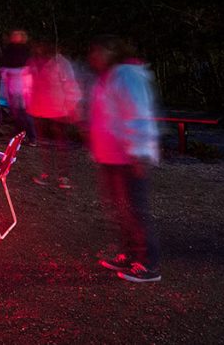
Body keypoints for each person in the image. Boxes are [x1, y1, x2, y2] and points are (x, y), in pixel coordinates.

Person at [88, 35, 161, 283]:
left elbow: (138, 112)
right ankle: (130, 253)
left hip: (128, 157)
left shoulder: (127, 74)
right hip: (111, 156)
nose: (95, 57)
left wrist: (139, 152)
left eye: (101, 51)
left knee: (135, 209)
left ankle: (148, 263)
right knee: (121, 209)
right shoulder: (108, 77)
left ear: (113, 51)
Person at [27, 40, 81, 189]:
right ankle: (45, 173)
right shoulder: (36, 63)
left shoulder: (62, 64)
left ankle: (63, 176)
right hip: (41, 110)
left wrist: (71, 107)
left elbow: (71, 86)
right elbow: (33, 86)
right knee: (44, 144)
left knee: (61, 145)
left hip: (59, 111)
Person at [0, 30, 36, 146]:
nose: (15, 37)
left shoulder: (26, 50)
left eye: (17, 35)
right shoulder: (9, 49)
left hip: (23, 86)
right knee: (16, 113)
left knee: (25, 113)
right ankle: (18, 136)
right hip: (12, 86)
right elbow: (4, 63)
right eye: (13, 35)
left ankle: (32, 137)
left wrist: (11, 72)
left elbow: (28, 68)